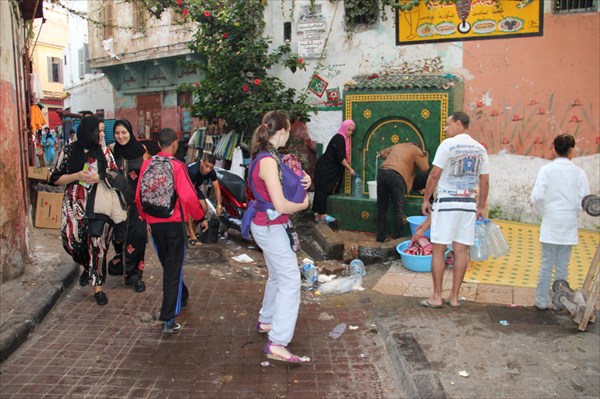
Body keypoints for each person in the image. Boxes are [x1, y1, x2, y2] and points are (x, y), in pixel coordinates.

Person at [247, 111, 311, 363]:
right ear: (282, 131)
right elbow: (282, 205)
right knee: (290, 282)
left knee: (277, 276)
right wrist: (305, 204)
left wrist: (305, 180)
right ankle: (278, 342)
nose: (289, 137)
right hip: (271, 226)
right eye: (289, 133)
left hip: (267, 225)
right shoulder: (269, 160)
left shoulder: (269, 156)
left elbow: (290, 181)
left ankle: (267, 320)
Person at [136, 128, 204, 334]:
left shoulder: (147, 164)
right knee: (173, 268)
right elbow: (189, 197)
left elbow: (139, 196)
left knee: (169, 265)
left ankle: (181, 295)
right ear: (175, 144)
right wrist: (200, 216)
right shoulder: (177, 165)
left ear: (158, 145)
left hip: (155, 224)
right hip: (174, 223)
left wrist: (145, 217)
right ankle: (168, 318)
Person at [420, 111, 489, 308]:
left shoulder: (448, 145)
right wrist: (481, 205)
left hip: (448, 203)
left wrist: (426, 199)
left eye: (448, 124)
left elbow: (434, 175)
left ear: (459, 124)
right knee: (461, 251)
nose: (446, 128)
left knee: (439, 250)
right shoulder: (480, 149)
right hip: (468, 205)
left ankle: (436, 297)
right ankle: (454, 297)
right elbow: (485, 180)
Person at [49, 116, 118, 306]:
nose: (102, 134)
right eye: (99, 130)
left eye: (103, 130)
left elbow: (115, 174)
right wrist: (76, 175)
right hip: (74, 204)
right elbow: (55, 178)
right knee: (73, 242)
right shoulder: (69, 150)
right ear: (89, 132)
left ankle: (98, 287)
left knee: (97, 243)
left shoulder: (104, 151)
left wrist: (100, 176)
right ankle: (87, 267)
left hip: (98, 204)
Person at [530, 134, 590, 310]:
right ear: (571, 150)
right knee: (562, 265)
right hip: (568, 222)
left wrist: (545, 212)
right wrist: (574, 213)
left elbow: (537, 197)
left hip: (550, 220)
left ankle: (541, 301)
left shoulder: (546, 170)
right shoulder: (579, 173)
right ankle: (559, 302)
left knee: (546, 263)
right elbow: (585, 200)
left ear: (554, 149)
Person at [109, 119, 150, 292]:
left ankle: (136, 276)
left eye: (124, 132)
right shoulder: (111, 151)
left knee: (138, 237)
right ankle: (123, 264)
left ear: (130, 132)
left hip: (137, 204)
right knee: (119, 238)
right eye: (117, 133)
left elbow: (148, 178)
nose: (121, 136)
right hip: (117, 203)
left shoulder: (142, 151)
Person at [376, 142, 429, 242]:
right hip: (397, 176)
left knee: (381, 208)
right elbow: (425, 167)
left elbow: (383, 153)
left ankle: (380, 237)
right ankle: (398, 238)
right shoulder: (415, 149)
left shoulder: (398, 145)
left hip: (382, 172)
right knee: (398, 209)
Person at [312, 120, 356, 222]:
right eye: (348, 130)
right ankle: (323, 214)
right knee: (323, 189)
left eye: (352, 131)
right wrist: (350, 169)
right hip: (325, 168)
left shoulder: (344, 139)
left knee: (326, 189)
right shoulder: (339, 138)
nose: (350, 132)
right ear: (344, 128)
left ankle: (318, 214)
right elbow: (340, 157)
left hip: (330, 168)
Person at [186, 154, 221, 246]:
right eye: (206, 166)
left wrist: (219, 205)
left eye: (211, 167)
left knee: (204, 208)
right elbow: (190, 196)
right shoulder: (192, 170)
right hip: (185, 188)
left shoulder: (211, 172)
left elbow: (217, 188)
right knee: (190, 210)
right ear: (202, 162)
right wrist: (201, 219)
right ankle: (192, 235)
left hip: (195, 188)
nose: (208, 170)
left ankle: (192, 228)